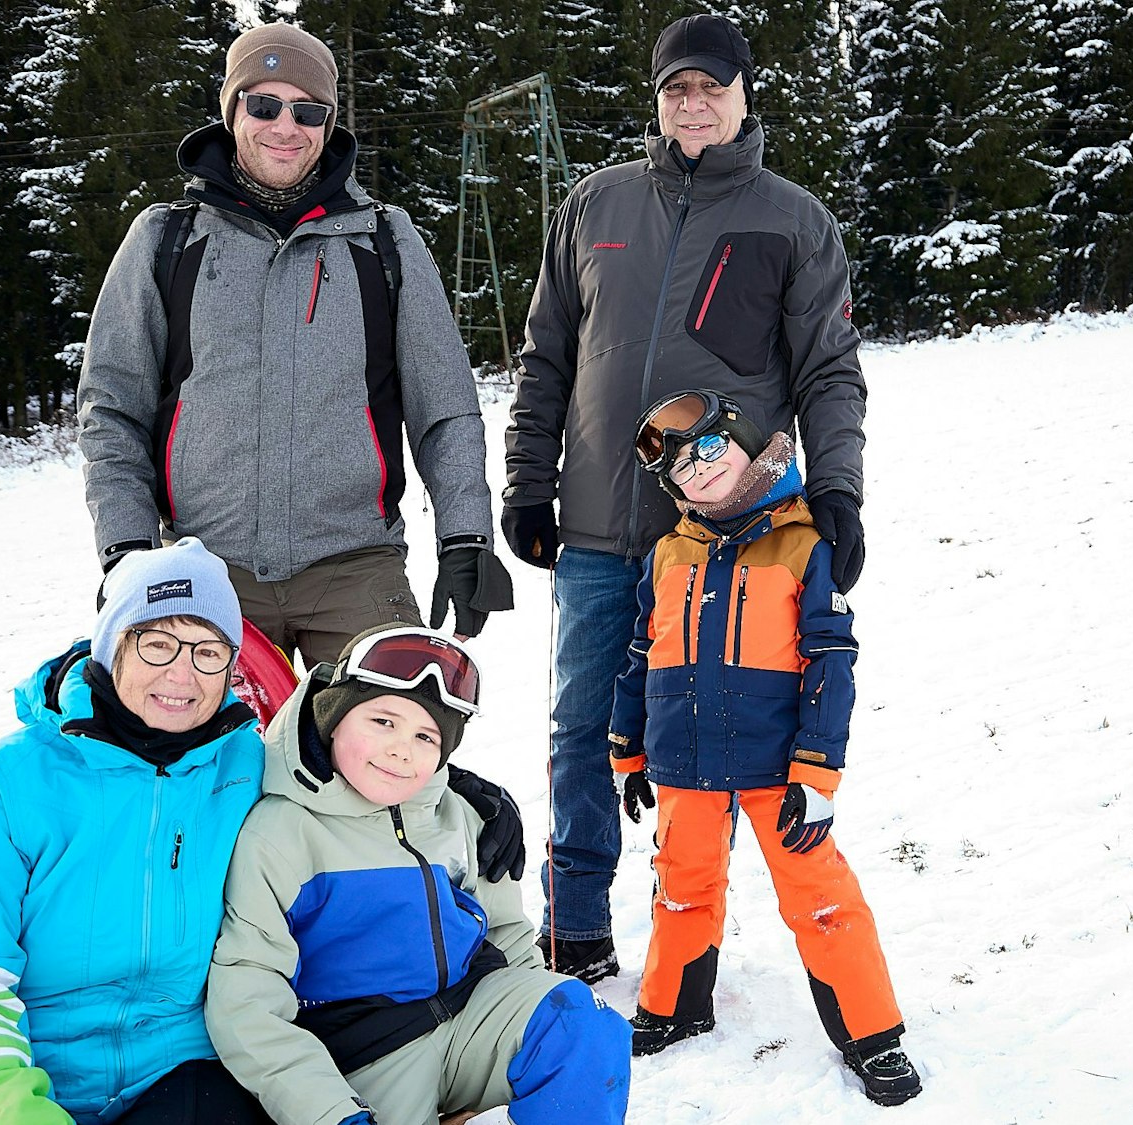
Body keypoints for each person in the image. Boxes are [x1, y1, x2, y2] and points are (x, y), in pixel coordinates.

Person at [0, 541, 530, 1125]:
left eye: (208, 652)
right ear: (110, 645)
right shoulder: (11, 780)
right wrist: (10, 1108)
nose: (183, 676)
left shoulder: (244, 766)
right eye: (157, 644)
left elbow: (349, 774)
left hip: (189, 1073)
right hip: (33, 1079)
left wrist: (460, 793)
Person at [501, 11, 868, 983]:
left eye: (710, 86)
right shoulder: (594, 205)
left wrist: (837, 494)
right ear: (656, 101)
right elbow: (544, 359)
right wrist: (526, 483)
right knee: (580, 729)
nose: (692, 104)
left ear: (745, 93)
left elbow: (828, 373)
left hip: (726, 545)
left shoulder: (792, 221)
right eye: (675, 89)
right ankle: (574, 928)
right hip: (592, 530)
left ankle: (686, 934)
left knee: (712, 740)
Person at [79, 22, 512, 670]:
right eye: (264, 105)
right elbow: (110, 409)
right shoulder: (164, 241)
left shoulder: (384, 242)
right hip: (205, 572)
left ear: (329, 123)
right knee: (216, 767)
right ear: (233, 113)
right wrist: (129, 552)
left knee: (395, 749)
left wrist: (466, 534)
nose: (286, 126)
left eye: (307, 111)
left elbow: (444, 408)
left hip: (356, 567)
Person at [607, 390, 920, 1106]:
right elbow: (639, 652)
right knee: (681, 887)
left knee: (820, 896)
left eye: (710, 449)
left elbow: (831, 661)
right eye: (680, 469)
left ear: (747, 442)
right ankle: (676, 1004)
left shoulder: (805, 544)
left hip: (777, 766)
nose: (698, 472)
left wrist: (817, 771)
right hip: (685, 761)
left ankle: (874, 1036)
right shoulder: (667, 554)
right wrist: (629, 752)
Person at [205, 624, 632, 1125]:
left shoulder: (463, 815)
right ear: (333, 715)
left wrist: (537, 1029)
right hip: (365, 1059)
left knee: (582, 1023)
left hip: (471, 1018)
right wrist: (327, 1113)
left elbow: (507, 935)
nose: (401, 750)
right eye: (382, 721)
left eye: (425, 736)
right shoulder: (279, 833)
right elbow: (247, 1002)